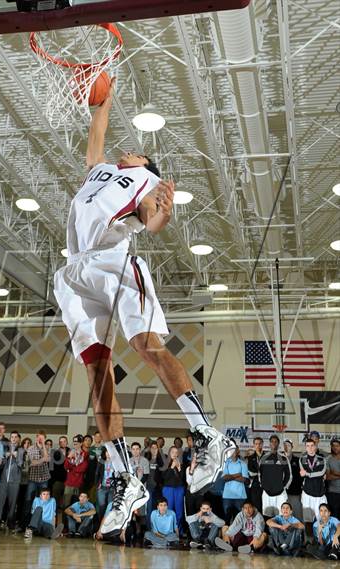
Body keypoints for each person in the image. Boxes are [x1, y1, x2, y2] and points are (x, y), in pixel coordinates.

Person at [52, 78, 235, 538]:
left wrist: (165, 212)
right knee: (96, 372)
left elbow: (151, 223)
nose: (128, 150)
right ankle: (125, 476)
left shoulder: (147, 180)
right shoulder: (98, 171)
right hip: (75, 273)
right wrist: (103, 92)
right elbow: (99, 128)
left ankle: (206, 434)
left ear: (146, 165)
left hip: (116, 264)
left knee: (146, 345)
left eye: (137, 151)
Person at [0, 431, 24, 531]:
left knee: (12, 504)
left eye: (15, 437)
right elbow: (0, 463)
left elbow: (21, 464)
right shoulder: (5, 449)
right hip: (3, 480)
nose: (13, 438)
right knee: (0, 502)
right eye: (12, 437)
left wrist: (16, 456)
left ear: (18, 439)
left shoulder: (21, 450)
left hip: (14, 481)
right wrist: (5, 456)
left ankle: (10, 522)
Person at [259, 435, 291, 517]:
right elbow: (260, 473)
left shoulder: (283, 458)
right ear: (269, 444)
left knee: (282, 517)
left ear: (278, 444)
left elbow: (289, 474)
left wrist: (283, 487)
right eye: (272, 441)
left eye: (275, 441)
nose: (273, 443)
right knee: (267, 517)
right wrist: (263, 486)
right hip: (267, 493)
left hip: (280, 494)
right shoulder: (264, 457)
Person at [24, 430, 51, 525]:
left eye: (42, 437)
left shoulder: (47, 447)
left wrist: (43, 445)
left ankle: (41, 523)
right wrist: (43, 459)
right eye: (39, 437)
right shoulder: (31, 448)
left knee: (43, 501)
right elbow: (33, 462)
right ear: (36, 437)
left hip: (44, 478)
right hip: (33, 478)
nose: (40, 439)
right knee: (29, 500)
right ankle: (26, 523)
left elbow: (48, 459)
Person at [299, 438, 327, 526]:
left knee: (322, 520)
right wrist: (305, 474)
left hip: (320, 494)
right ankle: (309, 540)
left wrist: (308, 474)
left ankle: (320, 539)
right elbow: (302, 473)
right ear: (305, 448)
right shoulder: (302, 459)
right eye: (308, 446)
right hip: (307, 493)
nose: (310, 448)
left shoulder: (322, 459)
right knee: (308, 520)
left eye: (312, 446)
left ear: (315, 447)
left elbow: (321, 472)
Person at [222, 446, 249, 525]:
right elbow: (224, 478)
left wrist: (230, 476)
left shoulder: (243, 464)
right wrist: (238, 474)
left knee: (239, 520)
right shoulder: (226, 463)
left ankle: (237, 537)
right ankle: (226, 536)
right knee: (227, 519)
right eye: (232, 450)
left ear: (238, 451)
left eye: (235, 450)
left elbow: (244, 479)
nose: (233, 452)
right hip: (227, 496)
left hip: (240, 496)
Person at [161, 446, 185, 534]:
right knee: (168, 510)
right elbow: (164, 477)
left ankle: (179, 532)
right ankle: (167, 531)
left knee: (179, 512)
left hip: (179, 489)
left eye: (176, 452)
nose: (174, 454)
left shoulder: (181, 464)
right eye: (172, 452)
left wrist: (179, 468)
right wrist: (171, 467)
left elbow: (183, 478)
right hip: (168, 489)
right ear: (169, 453)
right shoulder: (165, 464)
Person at [63, 435, 89, 509]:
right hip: (69, 483)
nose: (75, 445)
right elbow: (66, 467)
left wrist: (72, 469)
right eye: (74, 443)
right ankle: (65, 521)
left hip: (78, 483)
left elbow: (83, 468)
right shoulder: (70, 452)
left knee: (76, 505)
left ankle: (74, 520)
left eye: (76, 443)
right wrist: (69, 457)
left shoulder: (85, 454)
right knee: (66, 504)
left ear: (81, 444)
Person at [283, 439, 303, 520]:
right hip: (282, 493)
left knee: (297, 514)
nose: (286, 447)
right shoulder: (279, 459)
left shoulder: (298, 460)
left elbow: (301, 476)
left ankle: (299, 532)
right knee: (285, 515)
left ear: (292, 447)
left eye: (288, 445)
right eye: (284, 445)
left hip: (295, 492)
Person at [51, 436, 69, 518]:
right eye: (61, 442)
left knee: (66, 503)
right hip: (58, 480)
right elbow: (52, 468)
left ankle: (65, 524)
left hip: (69, 481)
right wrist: (53, 481)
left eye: (64, 441)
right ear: (59, 443)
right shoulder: (55, 452)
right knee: (56, 501)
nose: (62, 443)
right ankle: (54, 521)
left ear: (67, 442)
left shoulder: (71, 451)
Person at [95, 448, 114, 521]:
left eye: (110, 452)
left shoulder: (115, 463)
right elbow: (96, 474)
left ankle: (107, 524)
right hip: (102, 487)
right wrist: (97, 484)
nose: (108, 454)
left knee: (110, 506)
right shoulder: (101, 462)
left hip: (112, 488)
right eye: (107, 452)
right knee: (101, 506)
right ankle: (100, 523)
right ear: (105, 453)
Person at [247, 436, 264, 512]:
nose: (258, 445)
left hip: (266, 486)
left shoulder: (267, 457)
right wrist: (261, 472)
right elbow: (251, 472)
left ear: (262, 444)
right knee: (256, 507)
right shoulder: (250, 458)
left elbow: (269, 472)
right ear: (254, 445)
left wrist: (259, 472)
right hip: (255, 486)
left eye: (260, 443)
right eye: (256, 444)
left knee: (265, 507)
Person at [326, 438, 340, 519]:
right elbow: (328, 477)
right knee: (334, 517)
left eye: (337, 446)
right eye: (333, 446)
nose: (335, 448)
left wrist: (334, 473)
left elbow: (331, 475)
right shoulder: (328, 459)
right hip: (333, 493)